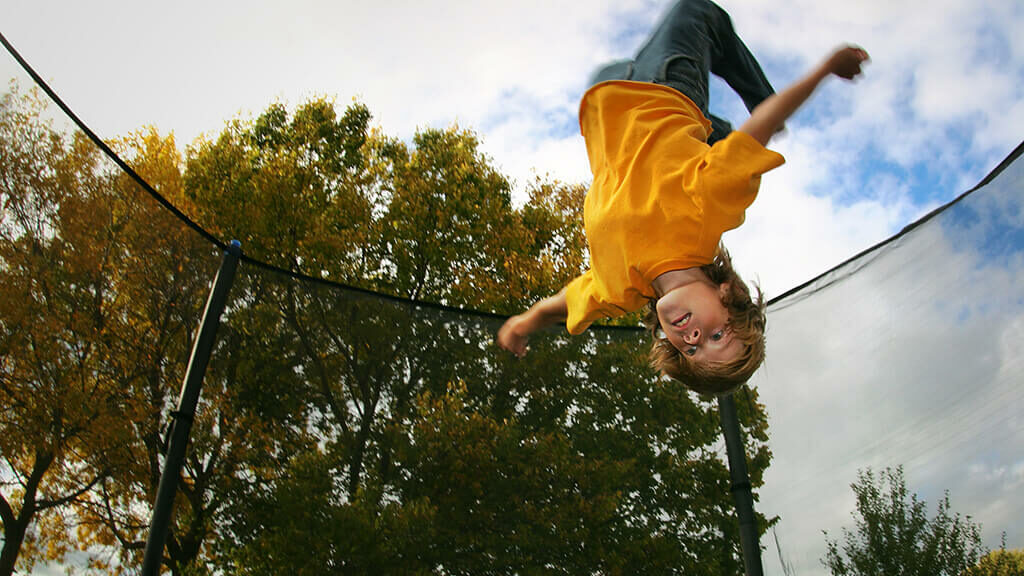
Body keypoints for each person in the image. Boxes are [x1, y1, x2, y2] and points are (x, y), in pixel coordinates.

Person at [497, 0, 868, 395]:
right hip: (665, 89)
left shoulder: (618, 289)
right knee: (697, 10)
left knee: (702, 134)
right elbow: (761, 127)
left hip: (603, 96)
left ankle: (715, 135)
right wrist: (826, 70)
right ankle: (723, 128)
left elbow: (565, 303)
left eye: (692, 351)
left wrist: (525, 322)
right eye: (717, 335)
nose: (693, 336)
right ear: (729, 294)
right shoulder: (704, 217)